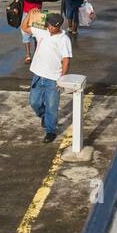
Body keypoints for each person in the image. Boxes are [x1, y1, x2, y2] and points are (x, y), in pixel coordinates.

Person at [29, 13, 73, 143]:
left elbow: (66, 60)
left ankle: (50, 131)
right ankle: (44, 116)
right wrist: (30, 15)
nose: (51, 28)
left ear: (58, 26)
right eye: (50, 25)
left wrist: (62, 78)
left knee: (52, 106)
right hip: (38, 75)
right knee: (34, 102)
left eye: (54, 26)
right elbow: (24, 27)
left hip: (53, 78)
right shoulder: (42, 32)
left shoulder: (64, 39)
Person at [12, 0, 45, 64]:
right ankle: (38, 53)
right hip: (38, 10)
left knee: (25, 32)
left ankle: (28, 55)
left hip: (26, 10)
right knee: (38, 33)